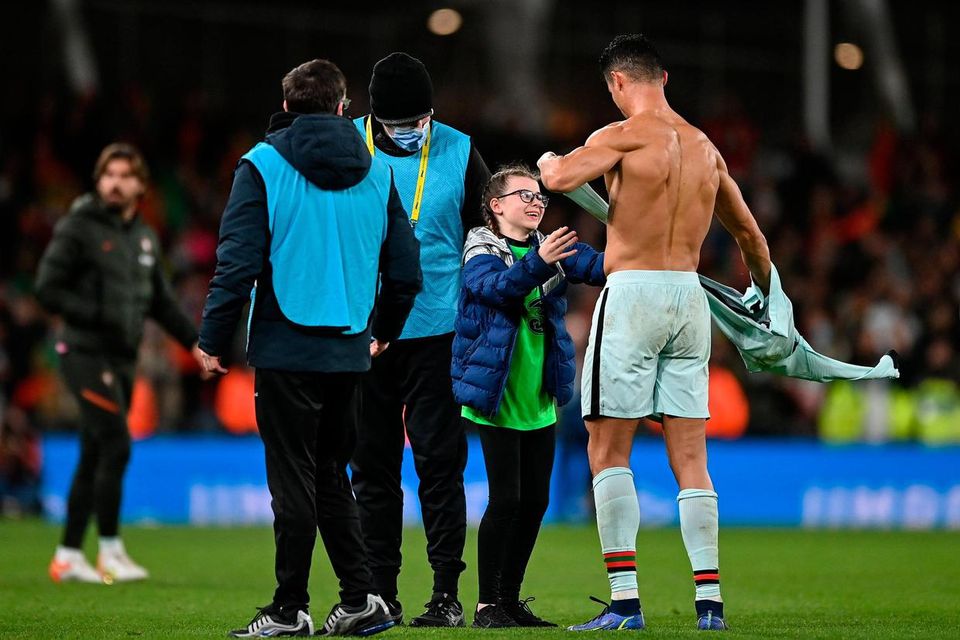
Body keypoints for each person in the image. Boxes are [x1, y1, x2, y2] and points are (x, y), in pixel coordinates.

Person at [538, 34, 772, 632]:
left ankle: (624, 603)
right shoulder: (706, 149)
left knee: (605, 449)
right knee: (691, 455)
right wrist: (770, 299)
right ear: (663, 78)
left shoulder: (619, 136)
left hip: (634, 292)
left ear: (618, 83)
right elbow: (750, 238)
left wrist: (546, 165)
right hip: (688, 297)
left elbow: (562, 179)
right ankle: (711, 606)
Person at [197, 59, 422, 637]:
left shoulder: (263, 164)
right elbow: (404, 272)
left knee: (293, 480)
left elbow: (237, 263)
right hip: (350, 348)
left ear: (288, 107)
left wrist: (212, 339)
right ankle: (360, 598)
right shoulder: (379, 174)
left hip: (285, 347)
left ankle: (288, 608)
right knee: (330, 476)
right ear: (345, 107)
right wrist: (383, 330)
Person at [349, 51, 491, 627]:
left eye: (418, 120)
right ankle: (381, 591)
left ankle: (445, 594)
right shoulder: (343, 149)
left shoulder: (459, 151)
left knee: (439, 465)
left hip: (438, 333)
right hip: (361, 335)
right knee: (372, 468)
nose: (410, 131)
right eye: (397, 123)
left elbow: (489, 235)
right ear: (373, 115)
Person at [36, 143, 203, 584]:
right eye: (108, 174)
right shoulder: (78, 227)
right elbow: (47, 289)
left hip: (123, 359)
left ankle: (68, 554)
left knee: (94, 453)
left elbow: (163, 304)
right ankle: (109, 550)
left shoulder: (144, 237)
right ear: (98, 180)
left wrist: (198, 345)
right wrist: (97, 314)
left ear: (141, 186)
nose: (115, 182)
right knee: (117, 444)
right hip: (84, 352)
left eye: (126, 175)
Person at [452, 163, 605, 628]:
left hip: (540, 395)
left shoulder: (548, 247)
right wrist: (542, 262)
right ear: (496, 206)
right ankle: (485, 605)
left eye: (540, 196)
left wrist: (639, 240)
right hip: (498, 393)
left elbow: (600, 266)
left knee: (536, 501)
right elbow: (495, 288)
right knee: (506, 500)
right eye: (525, 195)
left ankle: (510, 600)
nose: (536, 202)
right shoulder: (482, 246)